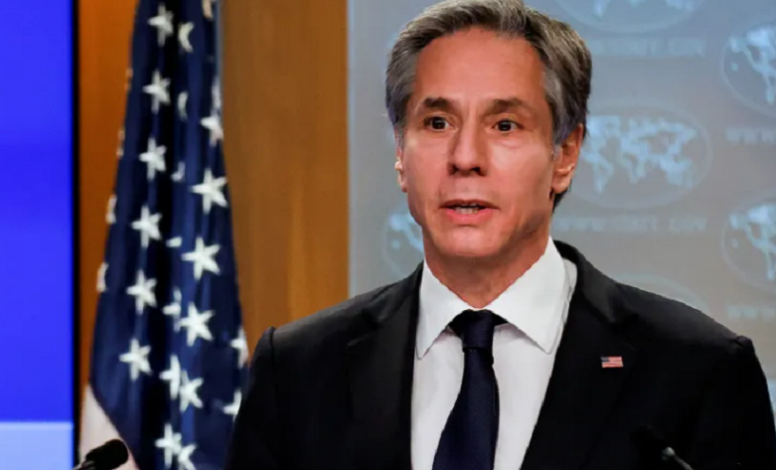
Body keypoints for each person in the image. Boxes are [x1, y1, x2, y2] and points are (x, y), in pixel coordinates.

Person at [223, 0, 776, 468]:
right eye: (436, 123)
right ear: (400, 153)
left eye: (505, 125)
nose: (465, 157)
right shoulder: (297, 371)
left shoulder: (697, 373)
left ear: (565, 154)